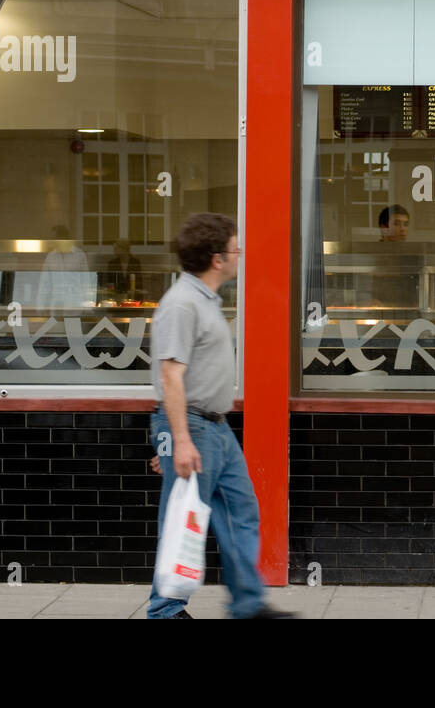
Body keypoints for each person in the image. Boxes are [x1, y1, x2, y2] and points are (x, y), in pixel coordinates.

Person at [147, 212, 292, 619]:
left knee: (241, 511)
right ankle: (165, 611)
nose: (239, 255)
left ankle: (248, 604)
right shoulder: (181, 304)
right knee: (179, 517)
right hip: (193, 424)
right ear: (216, 258)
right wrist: (180, 440)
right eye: (235, 249)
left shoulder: (204, 300)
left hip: (215, 426)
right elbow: (171, 376)